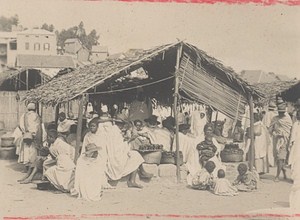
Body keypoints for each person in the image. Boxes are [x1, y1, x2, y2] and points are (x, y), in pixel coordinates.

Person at [95, 114, 146, 188]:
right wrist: (130, 139)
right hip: (115, 160)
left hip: (111, 155)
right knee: (136, 155)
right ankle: (132, 181)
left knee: (134, 154)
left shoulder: (113, 130)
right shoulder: (115, 132)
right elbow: (119, 149)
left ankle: (138, 176)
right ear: (122, 124)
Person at [269, 103, 292, 182]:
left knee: (280, 158)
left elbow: (290, 130)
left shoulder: (288, 119)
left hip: (284, 140)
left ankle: (277, 176)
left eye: (282, 112)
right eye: (279, 112)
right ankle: (283, 170)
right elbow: (270, 130)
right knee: (277, 158)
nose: (281, 113)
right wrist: (274, 133)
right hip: (276, 141)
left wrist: (285, 136)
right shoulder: (275, 118)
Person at [16, 102, 42, 173]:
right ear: (35, 109)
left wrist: (24, 131)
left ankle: (26, 168)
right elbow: (38, 127)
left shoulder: (24, 115)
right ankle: (32, 168)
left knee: (26, 151)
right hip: (34, 136)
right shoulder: (36, 116)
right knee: (33, 151)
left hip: (26, 135)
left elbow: (19, 125)